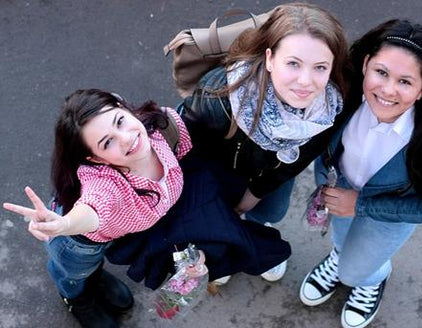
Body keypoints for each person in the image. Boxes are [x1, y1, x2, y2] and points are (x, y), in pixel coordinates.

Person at [2, 89, 291, 328]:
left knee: (92, 271)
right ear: (96, 158)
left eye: (119, 121)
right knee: (73, 274)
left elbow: (191, 176)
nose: (126, 138)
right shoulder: (103, 181)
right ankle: (77, 298)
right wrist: (64, 225)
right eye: (108, 142)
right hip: (78, 241)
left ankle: (95, 278)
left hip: (120, 233)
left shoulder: (165, 128)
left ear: (123, 106)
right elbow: (94, 208)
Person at [298, 19, 422, 328]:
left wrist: (361, 205)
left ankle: (371, 279)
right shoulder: (342, 92)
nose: (387, 90)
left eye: (405, 82)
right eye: (381, 72)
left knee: (354, 272)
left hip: (389, 210)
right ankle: (342, 255)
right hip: (337, 187)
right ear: (366, 64)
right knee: (342, 241)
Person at [179, 2, 352, 283]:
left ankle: (246, 230)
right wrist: (221, 212)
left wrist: (249, 200)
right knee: (220, 212)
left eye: (320, 67)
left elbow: (295, 160)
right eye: (293, 63)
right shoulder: (218, 99)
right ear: (270, 58)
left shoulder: (328, 107)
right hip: (215, 173)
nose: (306, 82)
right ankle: (225, 245)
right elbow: (190, 158)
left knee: (272, 210)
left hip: (269, 173)